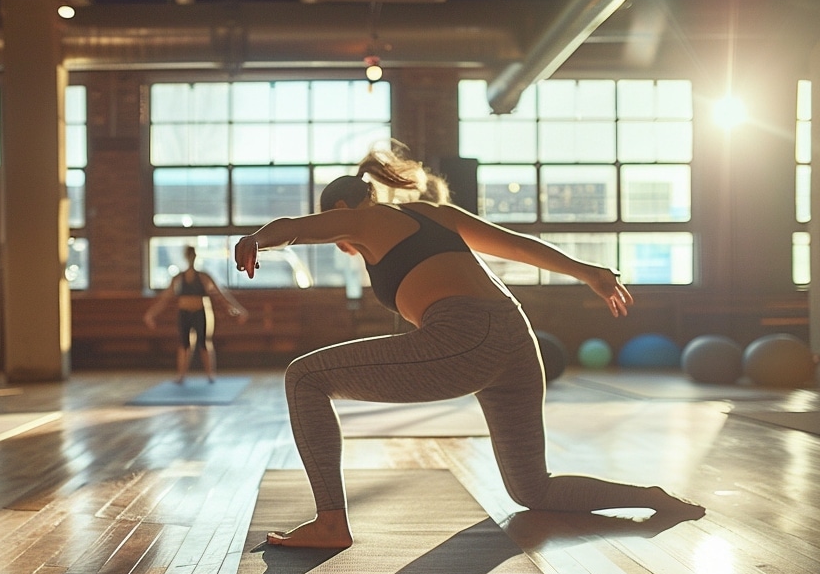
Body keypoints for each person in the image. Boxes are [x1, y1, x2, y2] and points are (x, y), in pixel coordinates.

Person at [233, 147, 704, 548]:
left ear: (339, 209)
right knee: (532, 489)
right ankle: (652, 498)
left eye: (334, 228)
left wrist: (257, 239)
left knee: (304, 376)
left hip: (466, 337)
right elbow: (516, 246)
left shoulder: (361, 220)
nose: (339, 240)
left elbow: (295, 227)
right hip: (517, 340)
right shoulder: (434, 214)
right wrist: (589, 272)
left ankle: (331, 521)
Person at [144, 244, 248, 382]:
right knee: (184, 344)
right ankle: (181, 374)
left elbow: (220, 294)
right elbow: (165, 298)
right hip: (184, 313)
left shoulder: (203, 276)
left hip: (200, 311)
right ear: (186, 257)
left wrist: (238, 309)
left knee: (204, 343)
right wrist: (151, 314)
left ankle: (210, 374)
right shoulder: (179, 277)